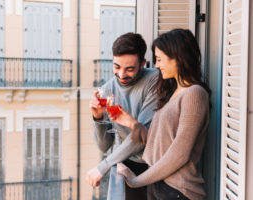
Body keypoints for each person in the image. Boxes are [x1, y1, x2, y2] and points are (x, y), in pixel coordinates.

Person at [111, 29, 211, 200]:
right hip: (160, 185)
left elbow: (179, 154)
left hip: (178, 190)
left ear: (178, 58)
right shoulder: (173, 92)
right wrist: (131, 123)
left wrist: (136, 181)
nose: (156, 65)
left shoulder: (195, 93)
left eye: (159, 59)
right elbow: (162, 143)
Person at [86, 32, 159, 200]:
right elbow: (104, 146)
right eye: (117, 67)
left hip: (154, 164)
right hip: (125, 166)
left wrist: (102, 167)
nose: (121, 75)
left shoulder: (154, 81)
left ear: (142, 64)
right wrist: (98, 119)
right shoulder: (106, 90)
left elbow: (141, 136)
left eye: (130, 69)